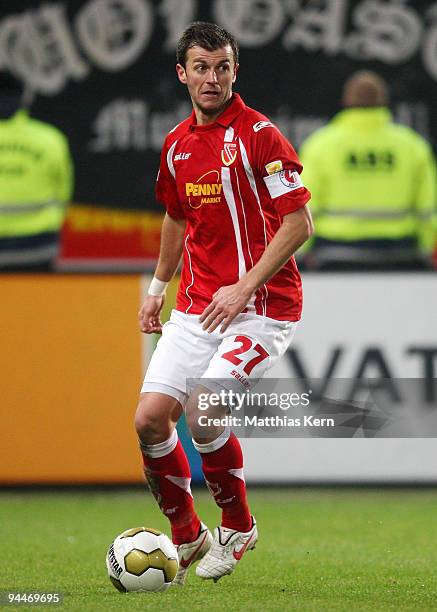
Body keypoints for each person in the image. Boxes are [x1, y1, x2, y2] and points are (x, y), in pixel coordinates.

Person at [135, 21, 313, 585]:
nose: (212, 78)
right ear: (183, 74)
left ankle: (237, 524)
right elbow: (174, 216)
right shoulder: (177, 145)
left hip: (262, 306)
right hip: (194, 308)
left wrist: (243, 286)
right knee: (148, 421)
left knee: (204, 406)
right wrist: (158, 288)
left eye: (222, 67)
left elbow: (298, 222)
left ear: (235, 71)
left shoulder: (261, 135)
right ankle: (187, 534)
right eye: (201, 68)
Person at [299, 70, 437, 270]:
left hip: (334, 255)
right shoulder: (413, 146)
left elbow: (304, 207)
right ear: (384, 102)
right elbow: (428, 211)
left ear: (346, 102)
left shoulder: (320, 145)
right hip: (401, 255)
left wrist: (299, 255)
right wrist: (426, 251)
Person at [0, 71, 73, 271]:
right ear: (23, 98)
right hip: (37, 246)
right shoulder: (50, 139)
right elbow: (63, 192)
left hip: (37, 246)